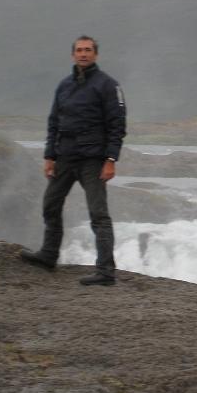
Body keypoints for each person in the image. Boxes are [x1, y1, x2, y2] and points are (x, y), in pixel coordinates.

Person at [20, 35, 127, 285]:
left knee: (98, 214)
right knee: (50, 205)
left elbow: (117, 125)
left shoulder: (108, 85)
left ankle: (105, 271)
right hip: (65, 157)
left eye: (88, 50)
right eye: (79, 50)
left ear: (96, 55)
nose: (83, 54)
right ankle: (48, 254)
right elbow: (53, 122)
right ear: (72, 55)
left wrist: (111, 159)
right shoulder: (64, 86)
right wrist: (49, 156)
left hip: (93, 160)